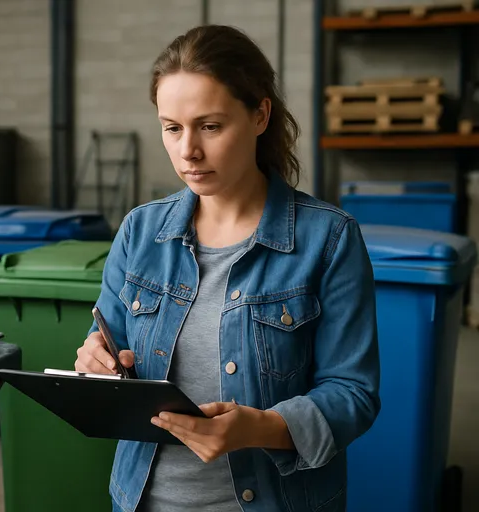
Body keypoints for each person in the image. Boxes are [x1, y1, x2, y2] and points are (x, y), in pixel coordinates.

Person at [74, 25, 380, 512]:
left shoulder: (329, 238)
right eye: (172, 127)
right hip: (141, 500)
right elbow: (108, 346)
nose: (187, 150)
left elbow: (353, 394)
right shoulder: (139, 231)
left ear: (260, 115)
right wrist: (94, 362)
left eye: (210, 126)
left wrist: (258, 428)